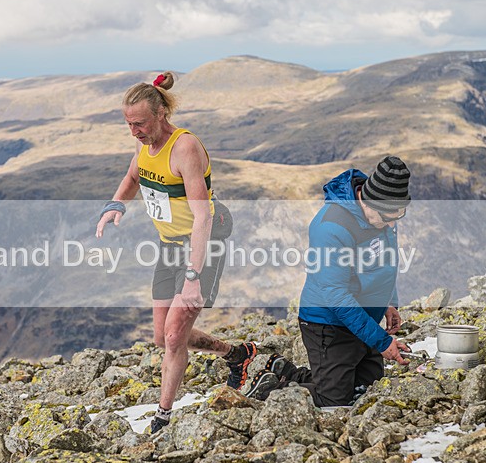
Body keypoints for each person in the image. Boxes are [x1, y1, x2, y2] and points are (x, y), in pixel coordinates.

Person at [96, 72, 256, 432]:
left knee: (173, 336)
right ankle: (237, 355)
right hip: (170, 244)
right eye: (129, 124)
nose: (134, 131)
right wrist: (116, 204)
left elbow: (202, 217)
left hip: (203, 240)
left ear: (161, 115)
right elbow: (133, 177)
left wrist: (193, 277)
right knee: (161, 336)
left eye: (139, 123)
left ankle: (162, 418)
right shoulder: (144, 144)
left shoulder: (184, 148)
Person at [246, 156, 413, 405]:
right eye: (388, 216)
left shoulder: (383, 215)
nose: (391, 223)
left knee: (367, 389)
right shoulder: (331, 227)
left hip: (363, 318)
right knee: (334, 401)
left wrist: (389, 302)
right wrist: (381, 341)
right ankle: (273, 387)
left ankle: (288, 371)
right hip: (328, 323)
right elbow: (336, 295)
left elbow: (385, 262)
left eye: (398, 216)